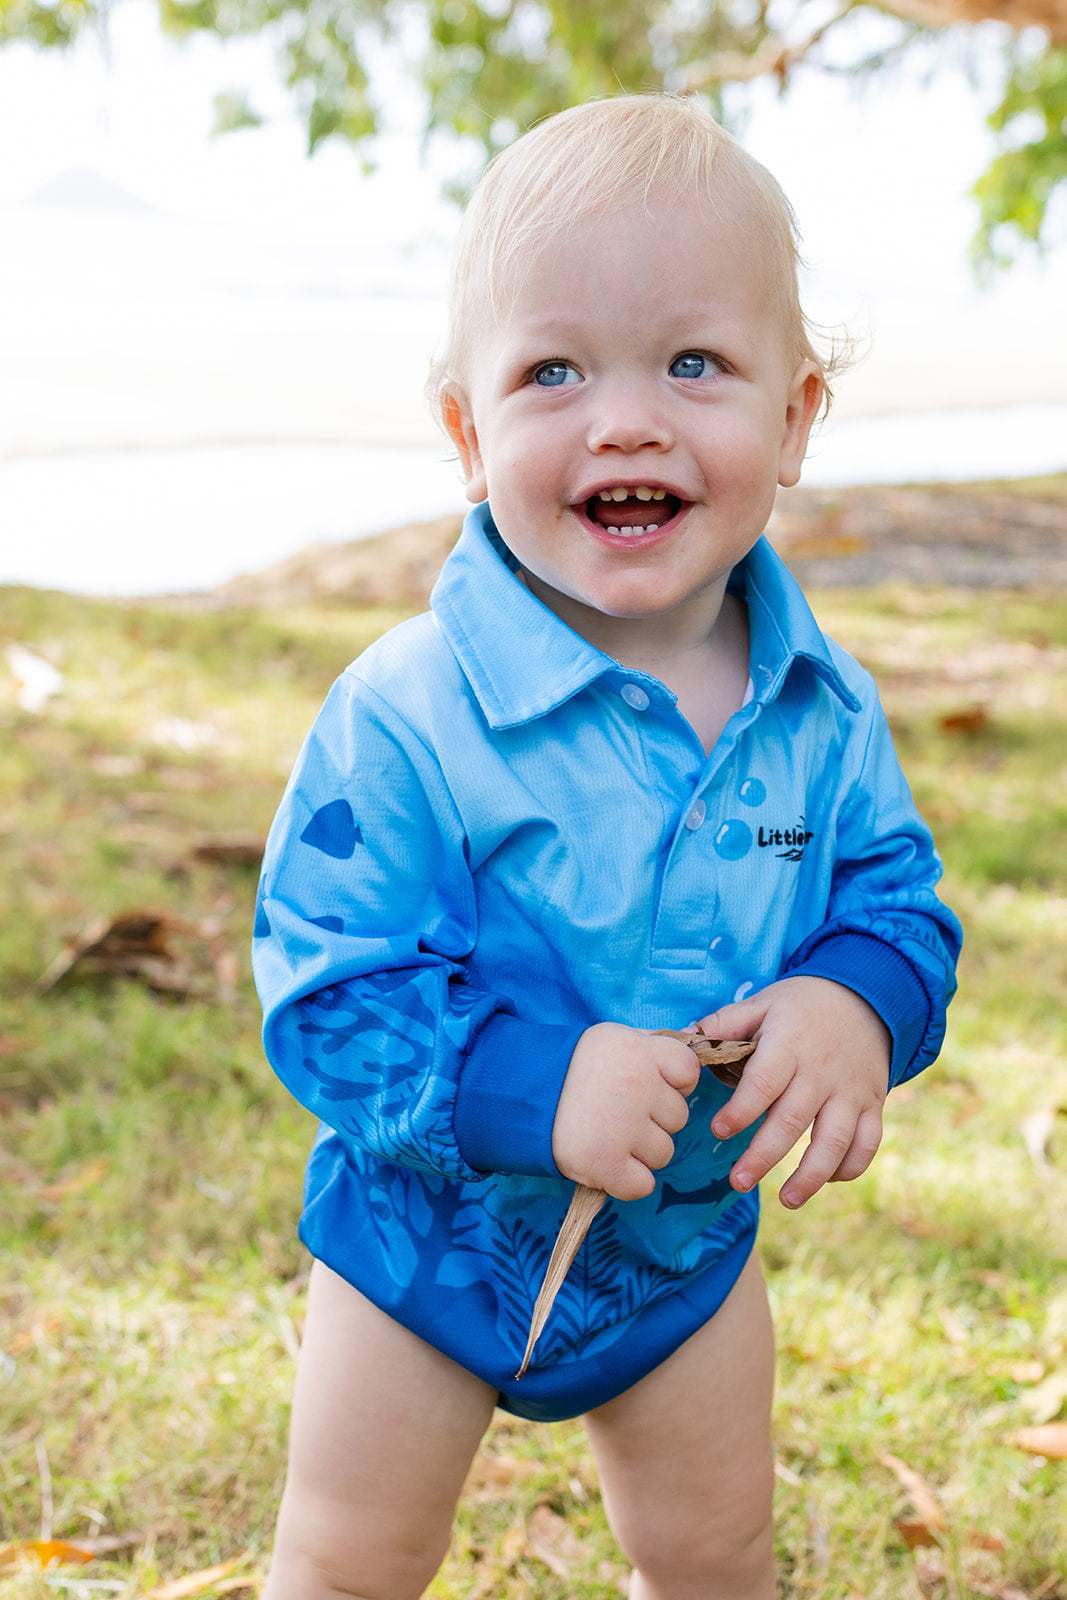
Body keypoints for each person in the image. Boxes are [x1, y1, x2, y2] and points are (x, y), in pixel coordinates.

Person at [252, 94, 961, 1600]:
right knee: (350, 1556)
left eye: (693, 362)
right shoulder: (411, 712)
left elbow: (898, 905)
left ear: (793, 422)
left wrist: (855, 1000)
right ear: (467, 431)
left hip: (682, 1259)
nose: (624, 417)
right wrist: (536, 1080)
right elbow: (326, 993)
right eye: (552, 369)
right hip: (424, 1245)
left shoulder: (819, 718)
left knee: (715, 1552)